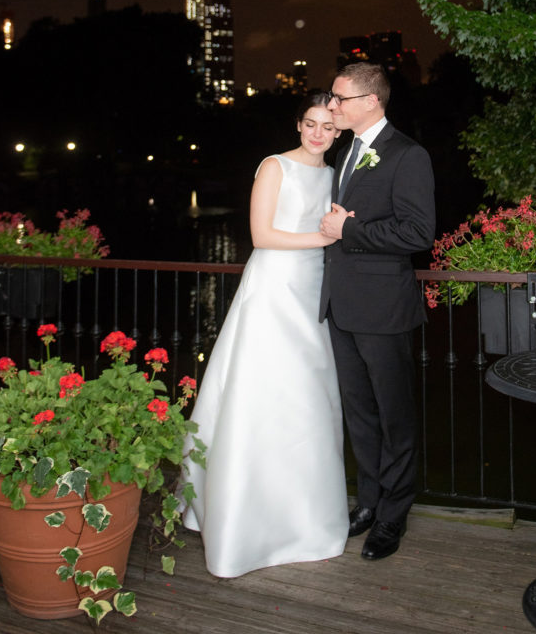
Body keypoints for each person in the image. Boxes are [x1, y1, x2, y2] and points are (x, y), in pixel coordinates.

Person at [182, 92, 349, 578]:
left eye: (328, 127)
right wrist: (324, 237)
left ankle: (304, 519)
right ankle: (240, 519)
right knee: (260, 393)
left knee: (307, 401)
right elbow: (261, 235)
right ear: (299, 125)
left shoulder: (332, 175)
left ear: (337, 133)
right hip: (274, 289)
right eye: (311, 124)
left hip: (313, 290)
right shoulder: (274, 166)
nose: (319, 134)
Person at [319, 62, 436, 561]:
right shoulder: (346, 151)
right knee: (360, 416)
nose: (332, 106)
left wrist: (350, 231)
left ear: (371, 101)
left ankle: (393, 516)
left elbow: (417, 234)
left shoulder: (408, 155)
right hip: (342, 308)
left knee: (396, 419)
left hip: (384, 310)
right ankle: (367, 503)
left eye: (340, 99)